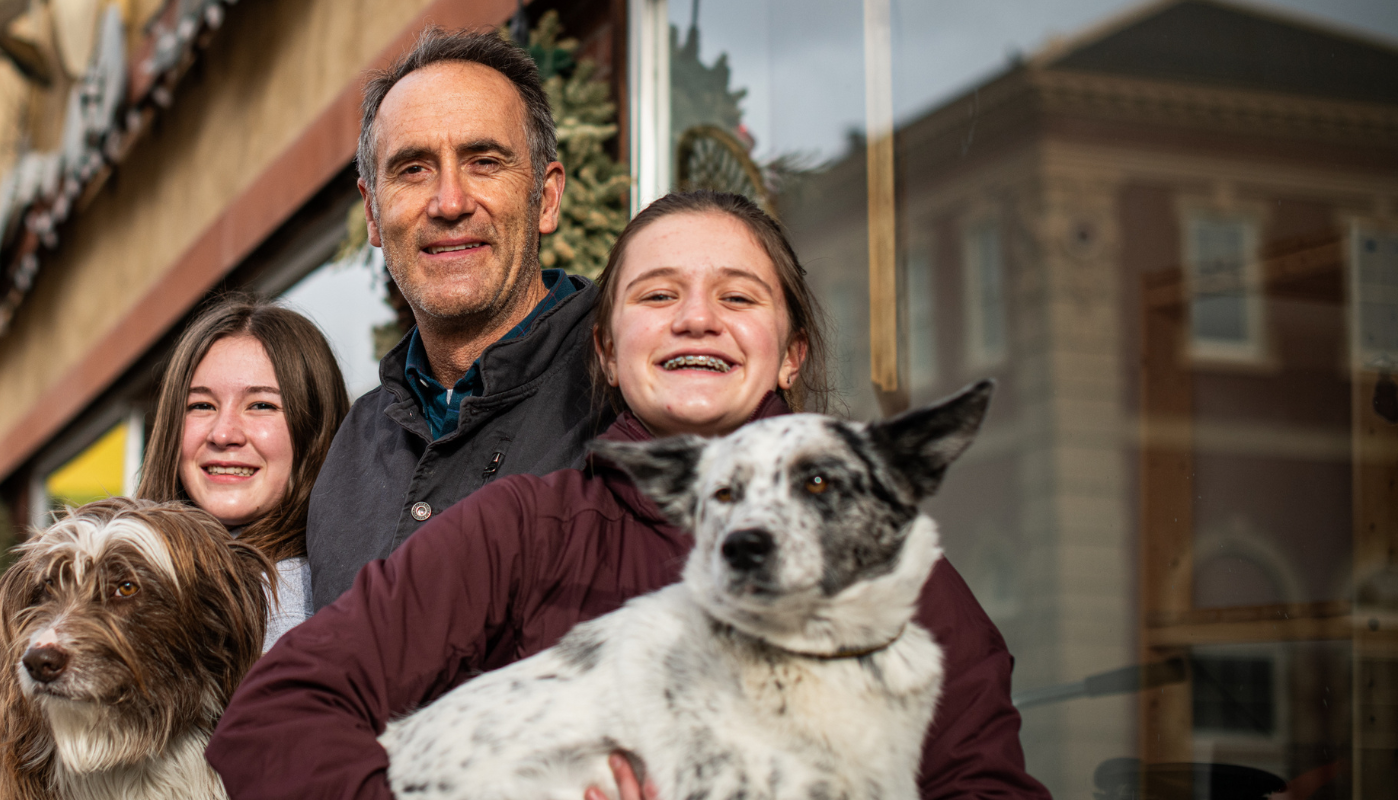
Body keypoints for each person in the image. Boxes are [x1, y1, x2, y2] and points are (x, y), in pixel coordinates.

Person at [206, 192, 1049, 800]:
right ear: (608, 351)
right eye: (657, 295)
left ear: (791, 353)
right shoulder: (527, 531)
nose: (695, 319)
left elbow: (982, 781)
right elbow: (275, 717)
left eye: (737, 296)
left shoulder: (893, 570)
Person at [305, 26, 600, 607]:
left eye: (484, 161)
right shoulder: (348, 454)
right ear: (372, 212)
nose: (449, 202)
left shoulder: (627, 398)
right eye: (413, 169)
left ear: (545, 198)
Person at [137, 296, 351, 649]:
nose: (223, 434)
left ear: (315, 429)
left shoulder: (300, 612)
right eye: (201, 405)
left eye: (261, 405)